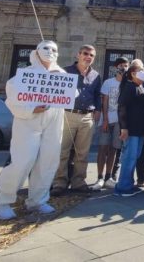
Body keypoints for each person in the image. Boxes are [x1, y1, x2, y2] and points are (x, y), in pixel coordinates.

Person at [0, 40, 65, 220]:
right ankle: (2, 201)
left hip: (53, 122)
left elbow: (70, 95)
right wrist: (31, 109)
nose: (50, 52)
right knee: (22, 161)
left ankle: (38, 200)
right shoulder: (25, 75)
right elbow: (12, 99)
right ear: (37, 52)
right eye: (45, 48)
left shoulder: (62, 74)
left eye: (54, 49)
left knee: (48, 161)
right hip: (28, 122)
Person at [51, 45, 102, 196]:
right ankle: (59, 183)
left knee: (82, 152)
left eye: (91, 55)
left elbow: (97, 95)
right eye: (85, 54)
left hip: (87, 116)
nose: (88, 57)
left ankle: (78, 182)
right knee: (63, 151)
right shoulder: (66, 71)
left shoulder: (95, 75)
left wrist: (98, 111)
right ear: (78, 55)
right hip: (68, 114)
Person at [91, 57, 129, 190]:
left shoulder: (128, 83)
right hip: (107, 119)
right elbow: (104, 102)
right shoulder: (108, 82)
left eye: (125, 65)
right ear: (116, 67)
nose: (123, 67)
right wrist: (105, 119)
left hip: (120, 121)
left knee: (114, 149)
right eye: (121, 65)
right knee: (102, 148)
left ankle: (109, 176)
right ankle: (99, 177)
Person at [114, 62, 144, 197]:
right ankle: (123, 187)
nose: (143, 71)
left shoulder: (139, 86)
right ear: (133, 73)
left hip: (140, 129)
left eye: (143, 69)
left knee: (135, 156)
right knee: (129, 157)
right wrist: (124, 128)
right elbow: (122, 107)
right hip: (131, 129)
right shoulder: (129, 86)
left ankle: (128, 183)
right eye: (140, 70)